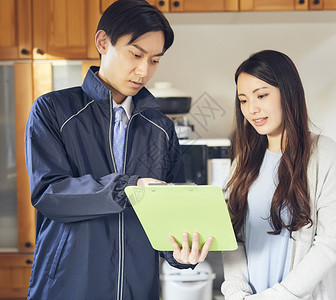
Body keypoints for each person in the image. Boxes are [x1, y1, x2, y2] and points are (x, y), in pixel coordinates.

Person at [25, 1, 212, 299]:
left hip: (138, 289)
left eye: (154, 60)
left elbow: (168, 213)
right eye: (136, 54)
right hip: (68, 287)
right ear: (103, 42)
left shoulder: (161, 127)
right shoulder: (53, 111)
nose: (143, 70)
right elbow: (50, 195)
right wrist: (130, 186)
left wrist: (180, 254)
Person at [221, 50, 336, 299]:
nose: (252, 109)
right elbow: (233, 237)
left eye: (261, 95)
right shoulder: (243, 161)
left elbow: (329, 244)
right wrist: (236, 291)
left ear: (288, 93)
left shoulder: (325, 154)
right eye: (243, 100)